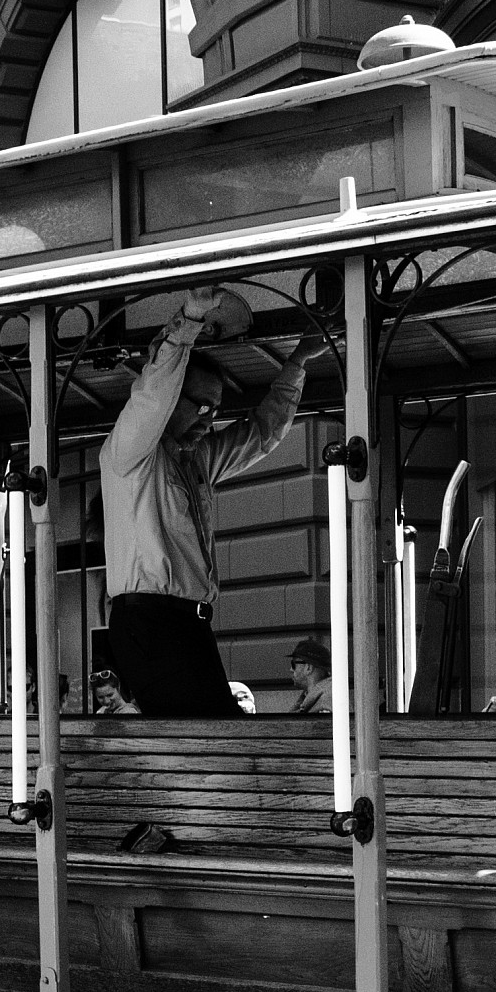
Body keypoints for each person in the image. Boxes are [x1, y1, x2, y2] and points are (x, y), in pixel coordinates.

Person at [101, 283, 312, 716]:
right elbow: (152, 393)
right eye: (200, 406)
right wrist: (191, 320)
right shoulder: (131, 452)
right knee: (212, 729)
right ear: (173, 400)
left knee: (219, 727)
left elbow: (262, 434)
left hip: (186, 623)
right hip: (151, 622)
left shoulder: (196, 459)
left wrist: (298, 362)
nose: (208, 419)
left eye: (215, 411)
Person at [289, 640, 332, 714]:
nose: (291, 669)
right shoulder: (314, 699)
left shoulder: (327, 702)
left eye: (293, 664)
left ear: (308, 668)